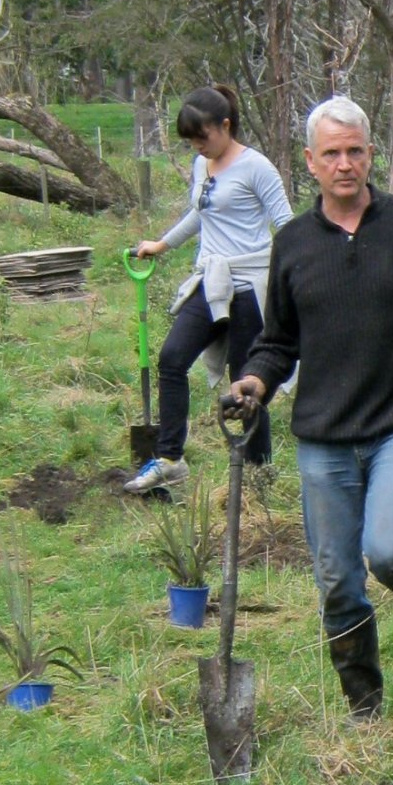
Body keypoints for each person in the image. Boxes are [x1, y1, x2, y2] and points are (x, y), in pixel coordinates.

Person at [230, 97, 393, 719]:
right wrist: (253, 384)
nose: (345, 164)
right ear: (310, 164)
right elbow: (278, 342)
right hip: (323, 436)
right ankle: (364, 703)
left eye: (355, 151)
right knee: (338, 580)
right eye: (332, 154)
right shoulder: (292, 244)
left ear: (371, 155)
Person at [124, 85, 292, 492]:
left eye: (203, 137)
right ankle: (169, 459)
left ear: (226, 126)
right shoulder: (203, 167)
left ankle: (258, 475)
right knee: (172, 358)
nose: (198, 146)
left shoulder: (257, 167)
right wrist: (161, 244)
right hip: (210, 282)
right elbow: (199, 214)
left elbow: (287, 225)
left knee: (246, 384)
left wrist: (295, 280)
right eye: (191, 140)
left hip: (249, 287)